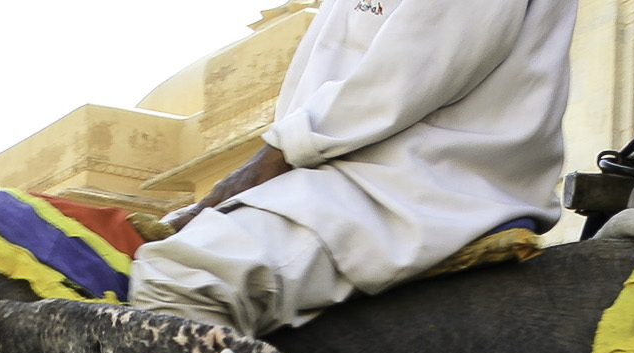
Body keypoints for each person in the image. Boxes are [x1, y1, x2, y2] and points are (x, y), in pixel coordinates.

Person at [130, 0, 578, 335]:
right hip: (353, 178)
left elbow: (409, 69)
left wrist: (266, 162)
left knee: (181, 279)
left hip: (416, 184)